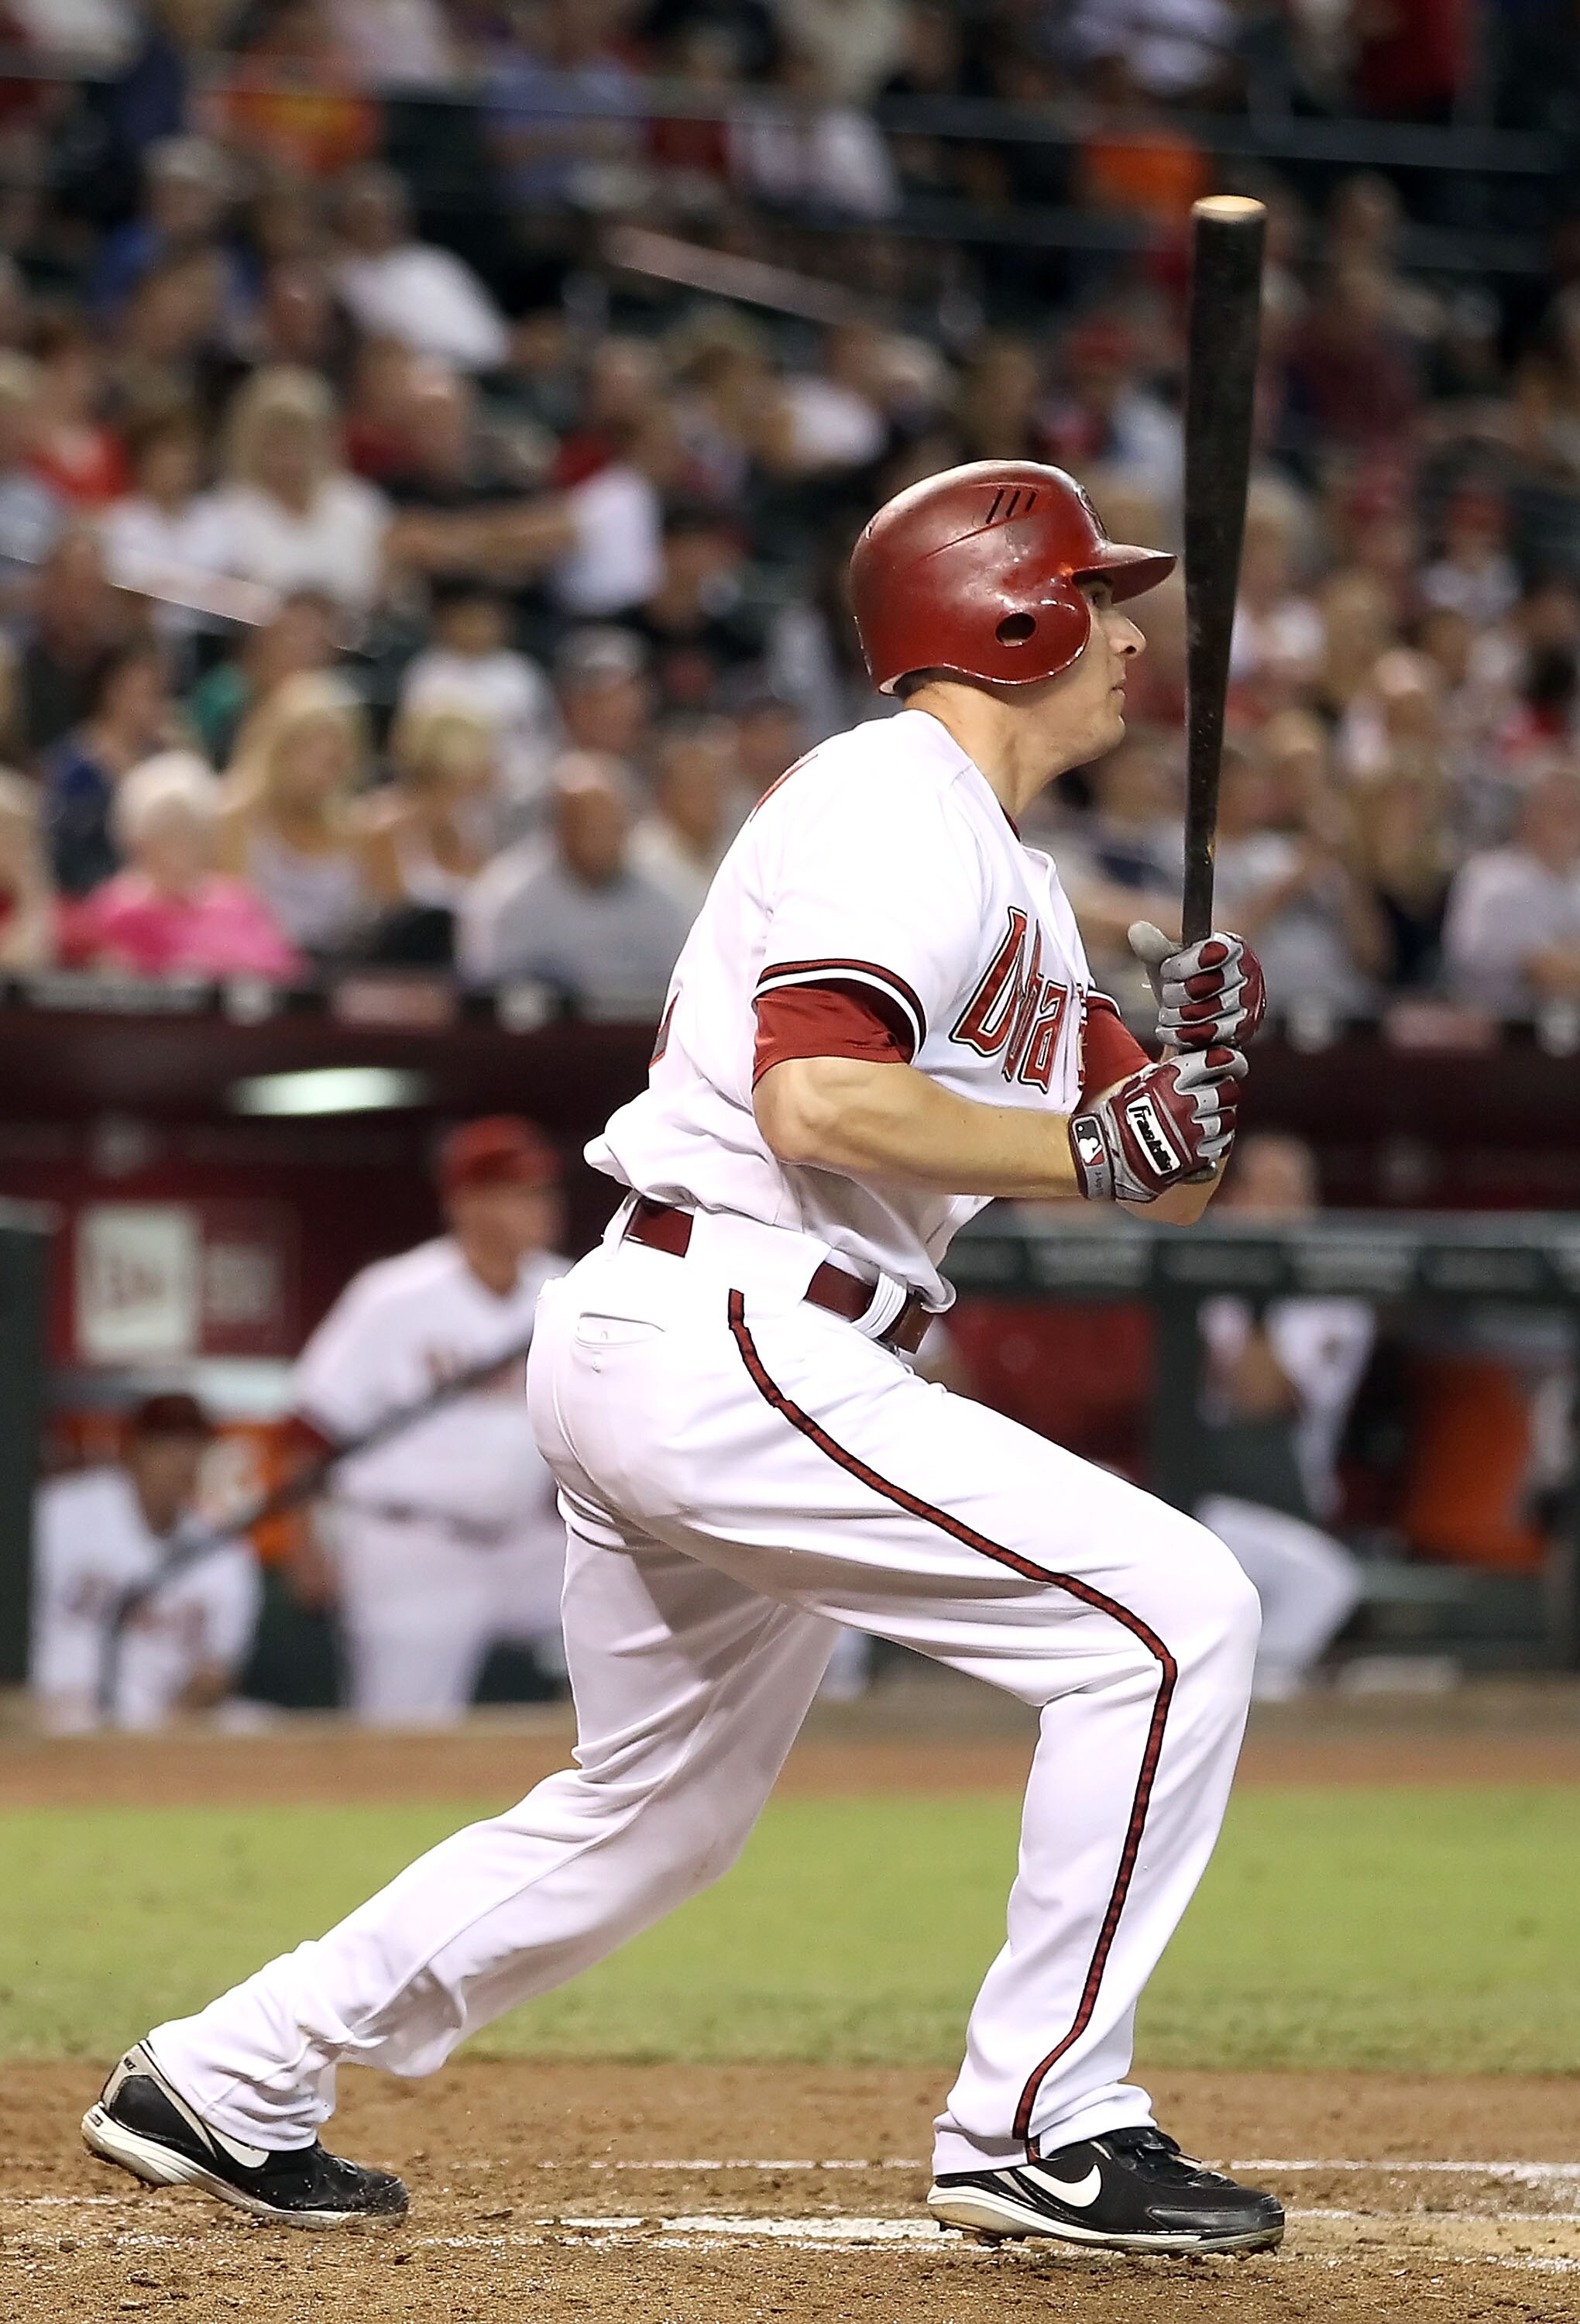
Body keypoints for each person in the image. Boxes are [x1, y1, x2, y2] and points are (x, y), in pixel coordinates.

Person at [84, 462, 1284, 2260]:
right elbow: (820, 1098)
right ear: (1009, 614)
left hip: (704, 1335)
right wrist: (1101, 1141)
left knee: (654, 1817)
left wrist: (1197, 1080)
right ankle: (1039, 2120)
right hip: (743, 1325)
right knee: (1175, 1617)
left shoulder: (1011, 878)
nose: (1126, 635)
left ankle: (228, 2072)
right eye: (1095, 598)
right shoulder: (894, 798)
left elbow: (1163, 1181)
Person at [286, 1117, 570, 1724]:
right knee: (404, 1731)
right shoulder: (393, 1296)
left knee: (640, 1604)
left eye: (544, 1189)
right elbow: (311, 1427)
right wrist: (303, 1541)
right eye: (520, 1191)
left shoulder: (570, 1291)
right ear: (468, 1203)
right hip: (411, 1543)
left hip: (525, 1542)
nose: (543, 1204)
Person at [1194, 1134, 1370, 1702]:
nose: (1280, 1211)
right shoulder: (1190, 1276)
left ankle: (1257, 1706)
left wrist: (1254, 1292)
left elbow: (1261, 1399)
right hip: (1193, 1502)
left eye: (1294, 1195)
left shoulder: (1337, 1301)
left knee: (1327, 1583)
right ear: (1233, 1199)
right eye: (1266, 1192)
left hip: (1291, 1511)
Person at [32, 1393, 260, 1734]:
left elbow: (217, 1670)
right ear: (135, 1449)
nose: (181, 1459)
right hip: (62, 1701)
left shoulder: (223, 1551)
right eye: (165, 1445)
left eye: (192, 1445)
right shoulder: (60, 1512)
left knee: (255, 1726)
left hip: (163, 1719)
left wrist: (177, 1720)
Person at [456, 751, 689, 1012]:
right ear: (557, 826)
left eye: (610, 823)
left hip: (639, 1035)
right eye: (587, 822)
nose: (600, 836)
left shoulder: (663, 901)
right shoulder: (506, 897)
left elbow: (686, 993)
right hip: (545, 1036)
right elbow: (486, 995)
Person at [62, 751, 301, 982]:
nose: (179, 847)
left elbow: (286, 971)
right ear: (136, 840)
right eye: (166, 833)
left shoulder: (237, 903)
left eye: (190, 832)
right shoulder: (115, 909)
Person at [218, 672, 391, 961]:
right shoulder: (236, 819)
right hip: (255, 970)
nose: (323, 775)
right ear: (278, 751)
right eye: (314, 759)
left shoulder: (360, 830)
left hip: (335, 971)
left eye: (335, 763)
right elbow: (227, 915)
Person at [196, 368, 391, 616]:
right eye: (276, 443)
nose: (290, 455)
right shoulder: (223, 513)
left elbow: (383, 595)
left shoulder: (360, 504)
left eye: (302, 440)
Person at [43, 640, 177, 898]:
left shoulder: (165, 758)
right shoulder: (75, 766)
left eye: (160, 694)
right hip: (91, 896)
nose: (155, 705)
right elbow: (65, 856)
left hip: (157, 895)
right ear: (111, 691)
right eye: (144, 693)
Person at [1443, 761, 1580, 1009]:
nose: (1572, 819)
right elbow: (1546, 973)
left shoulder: (1575, 881)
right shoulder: (1493, 878)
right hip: (1500, 1025)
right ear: (1528, 813)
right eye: (1561, 809)